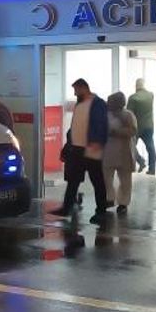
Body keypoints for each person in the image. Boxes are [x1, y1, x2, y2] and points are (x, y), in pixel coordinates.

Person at [49, 79, 109, 223]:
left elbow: (102, 124)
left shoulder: (98, 104)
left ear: (84, 88)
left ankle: (101, 211)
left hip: (91, 148)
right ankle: (67, 207)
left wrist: (97, 142)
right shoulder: (79, 104)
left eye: (76, 90)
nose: (75, 93)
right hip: (76, 148)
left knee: (97, 180)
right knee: (73, 180)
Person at [103, 91, 138, 214]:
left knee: (125, 180)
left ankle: (123, 202)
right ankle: (109, 198)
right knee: (106, 177)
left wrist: (116, 132)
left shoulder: (128, 115)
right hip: (108, 151)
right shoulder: (105, 115)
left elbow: (132, 131)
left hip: (124, 151)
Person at [128, 79, 155, 175]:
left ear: (136, 85)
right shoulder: (151, 95)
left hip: (136, 127)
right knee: (150, 147)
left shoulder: (133, 98)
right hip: (149, 126)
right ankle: (152, 169)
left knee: (130, 146)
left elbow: (129, 114)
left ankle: (140, 161)